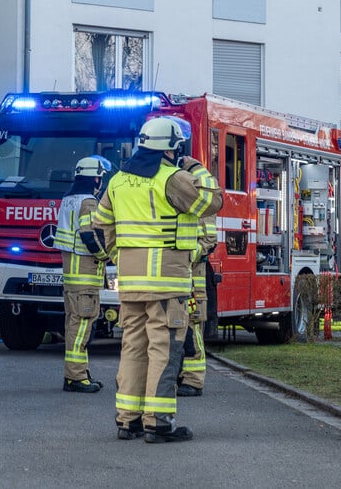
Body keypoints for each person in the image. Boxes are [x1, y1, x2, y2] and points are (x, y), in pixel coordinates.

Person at [93, 116, 221, 443]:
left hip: (131, 283)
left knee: (133, 349)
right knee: (164, 352)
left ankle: (128, 420)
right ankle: (159, 423)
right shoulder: (173, 178)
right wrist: (197, 168)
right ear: (172, 148)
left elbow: (101, 226)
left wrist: (119, 258)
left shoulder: (117, 181)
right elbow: (213, 201)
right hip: (167, 284)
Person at [55, 156, 110, 393]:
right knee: (81, 329)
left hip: (72, 278)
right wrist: (105, 256)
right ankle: (76, 377)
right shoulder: (88, 202)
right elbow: (89, 235)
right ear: (95, 179)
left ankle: (78, 373)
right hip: (85, 277)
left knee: (74, 325)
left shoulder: (68, 199)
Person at [177, 175, 222, 398]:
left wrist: (183, 255)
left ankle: (193, 380)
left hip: (194, 281)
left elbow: (208, 242)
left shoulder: (203, 210)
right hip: (175, 279)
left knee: (192, 329)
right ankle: (177, 375)